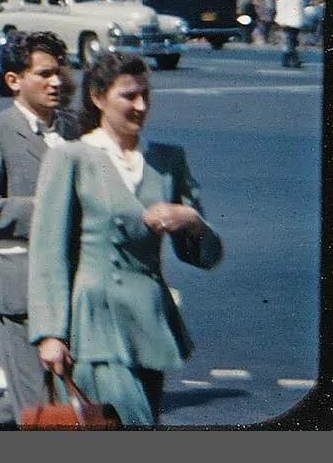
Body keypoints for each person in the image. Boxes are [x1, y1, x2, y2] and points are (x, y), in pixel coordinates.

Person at [29, 53, 224, 428]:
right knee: (130, 424)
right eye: (129, 96)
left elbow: (202, 256)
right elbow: (48, 252)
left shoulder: (168, 160)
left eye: (146, 96)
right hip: (94, 323)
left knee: (141, 420)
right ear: (98, 98)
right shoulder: (71, 157)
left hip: (149, 321)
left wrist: (192, 221)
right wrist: (50, 333)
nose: (141, 106)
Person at [0, 30, 75, 424]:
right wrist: (47, 210)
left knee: (53, 401)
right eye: (43, 74)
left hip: (76, 287)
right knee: (37, 404)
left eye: (58, 72)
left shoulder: (74, 129)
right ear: (14, 80)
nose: (55, 82)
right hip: (22, 287)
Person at [273, 0, 308, 69]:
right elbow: (280, 4)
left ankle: (286, 60)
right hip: (287, 19)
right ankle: (295, 61)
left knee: (291, 40)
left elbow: (303, 5)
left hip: (298, 19)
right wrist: (280, 18)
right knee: (290, 40)